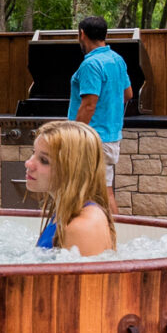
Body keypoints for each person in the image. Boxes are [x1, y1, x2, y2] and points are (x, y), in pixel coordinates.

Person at [25, 119, 115, 256]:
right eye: (33, 153)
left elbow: (89, 278)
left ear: (73, 170)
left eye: (44, 160)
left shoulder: (82, 228)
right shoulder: (67, 212)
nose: (28, 163)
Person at [67, 14, 133, 194]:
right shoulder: (117, 59)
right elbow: (128, 94)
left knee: (98, 194)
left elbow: (88, 105)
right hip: (110, 137)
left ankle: (111, 223)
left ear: (82, 34)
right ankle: (109, 223)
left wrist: (73, 138)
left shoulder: (91, 64)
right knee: (103, 192)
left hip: (92, 140)